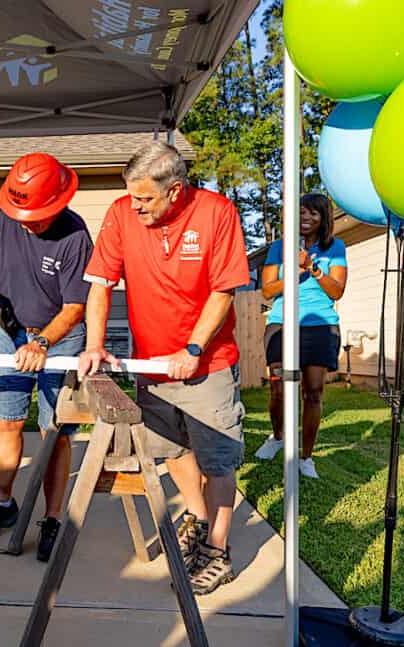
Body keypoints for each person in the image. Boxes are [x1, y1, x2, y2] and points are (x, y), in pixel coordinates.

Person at [77, 141, 250, 596]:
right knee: (172, 449)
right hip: (152, 363)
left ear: (175, 191)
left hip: (206, 361)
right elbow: (99, 284)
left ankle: (217, 550)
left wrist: (194, 346)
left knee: (216, 459)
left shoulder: (217, 213)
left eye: (145, 199)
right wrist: (95, 344)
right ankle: (196, 514)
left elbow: (225, 290)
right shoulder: (120, 214)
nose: (135, 207)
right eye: (131, 196)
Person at [0, 153, 92, 562]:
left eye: (36, 215)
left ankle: (53, 519)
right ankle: (3, 504)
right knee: (8, 419)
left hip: (63, 337)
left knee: (54, 431)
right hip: (11, 332)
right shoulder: (5, 219)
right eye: (22, 212)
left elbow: (75, 309)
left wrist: (42, 344)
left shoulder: (76, 237)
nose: (27, 221)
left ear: (58, 202)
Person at [255, 193, 347, 479]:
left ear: (323, 218)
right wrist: (293, 272)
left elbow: (337, 291)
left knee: (313, 391)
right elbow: (268, 291)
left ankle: (306, 457)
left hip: (320, 324)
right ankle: (278, 437)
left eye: (312, 213)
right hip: (283, 322)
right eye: (301, 213)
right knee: (279, 388)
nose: (305, 218)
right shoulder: (279, 248)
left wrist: (313, 268)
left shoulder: (335, 248)